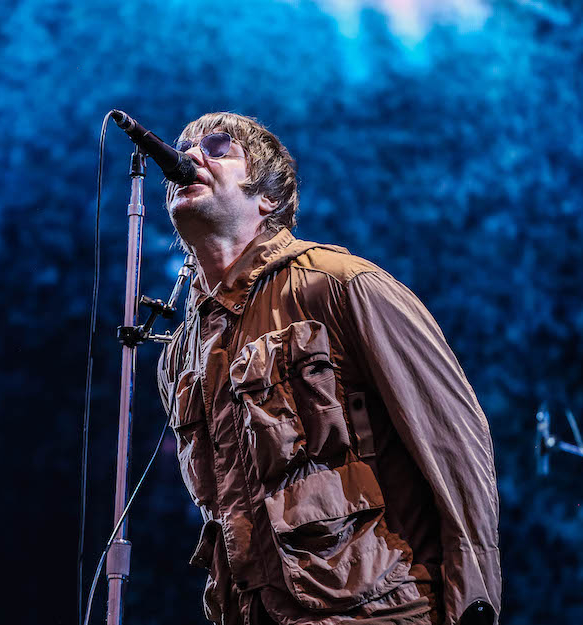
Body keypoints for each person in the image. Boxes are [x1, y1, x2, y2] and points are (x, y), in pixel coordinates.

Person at [156, 112, 500, 625]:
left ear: (266, 197)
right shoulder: (180, 356)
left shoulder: (342, 285)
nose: (190, 156)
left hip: (378, 611)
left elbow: (454, 442)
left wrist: (473, 601)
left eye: (217, 147)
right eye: (185, 146)